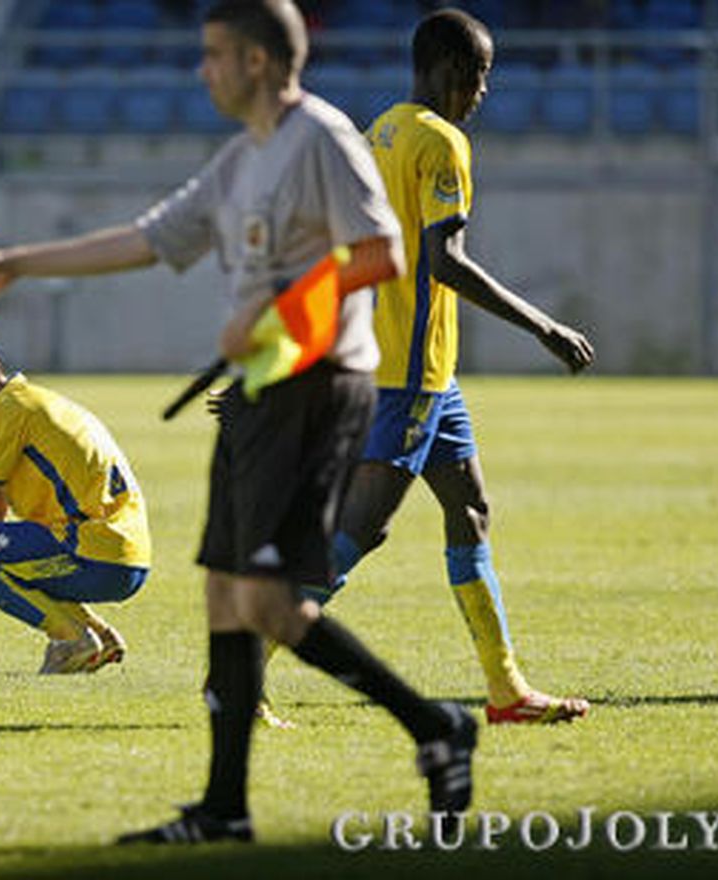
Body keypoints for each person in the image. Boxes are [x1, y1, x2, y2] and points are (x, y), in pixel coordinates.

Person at [0, 1, 477, 843]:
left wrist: (276, 315)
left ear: (259, 62)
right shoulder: (243, 158)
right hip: (256, 395)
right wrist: (11, 264)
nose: (202, 70)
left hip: (316, 390)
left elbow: (381, 253)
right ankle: (224, 810)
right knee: (226, 595)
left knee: (268, 601)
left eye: (214, 55)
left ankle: (435, 725)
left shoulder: (321, 139)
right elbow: (145, 239)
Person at [313, 8, 595, 725]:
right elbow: (446, 262)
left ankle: (506, 691)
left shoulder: (381, 131)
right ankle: (243, 664)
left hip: (423, 371)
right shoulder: (441, 141)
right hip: (408, 373)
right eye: (480, 75)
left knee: (470, 510)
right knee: (361, 530)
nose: (483, 91)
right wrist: (543, 326)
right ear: (449, 69)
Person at [0, 330, 149, 674]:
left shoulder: (5, 414)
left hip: (94, 555)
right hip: (125, 554)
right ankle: (99, 637)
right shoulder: (26, 402)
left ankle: (71, 639)